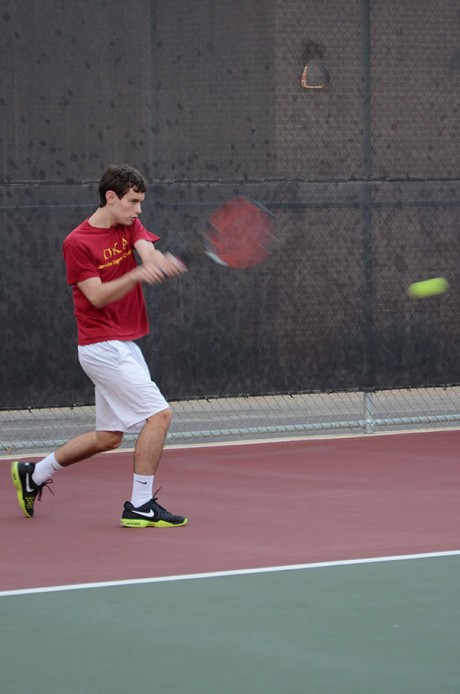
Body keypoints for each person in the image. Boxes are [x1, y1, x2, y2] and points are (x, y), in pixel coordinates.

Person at [11, 164, 188, 528]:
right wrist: (138, 273)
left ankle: (34, 473)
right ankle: (140, 505)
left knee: (109, 437)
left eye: (141, 202)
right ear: (111, 197)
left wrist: (157, 262)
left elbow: (147, 252)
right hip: (101, 346)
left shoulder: (128, 225)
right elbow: (95, 296)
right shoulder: (77, 243)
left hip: (124, 343)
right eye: (133, 201)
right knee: (160, 415)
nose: (138, 209)